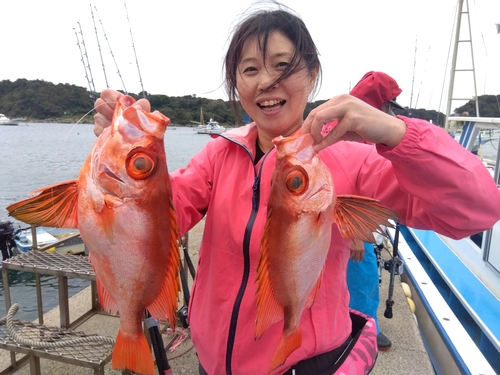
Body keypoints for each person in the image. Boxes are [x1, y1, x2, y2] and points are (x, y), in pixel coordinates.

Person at [93, 4, 500, 375]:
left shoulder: (351, 160)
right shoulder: (220, 153)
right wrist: (121, 155)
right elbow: (159, 217)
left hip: (306, 364)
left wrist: (396, 133)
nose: (266, 81)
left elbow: (476, 211)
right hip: (213, 364)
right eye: (249, 70)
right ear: (235, 83)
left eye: (282, 66)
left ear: (312, 74)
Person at [345, 71, 406, 352]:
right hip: (350, 229)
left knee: (363, 278)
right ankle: (361, 330)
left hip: (360, 224)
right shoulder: (350, 135)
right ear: (377, 104)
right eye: (389, 105)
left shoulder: (362, 129)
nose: (391, 112)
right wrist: (356, 235)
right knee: (363, 278)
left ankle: (360, 325)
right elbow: (342, 190)